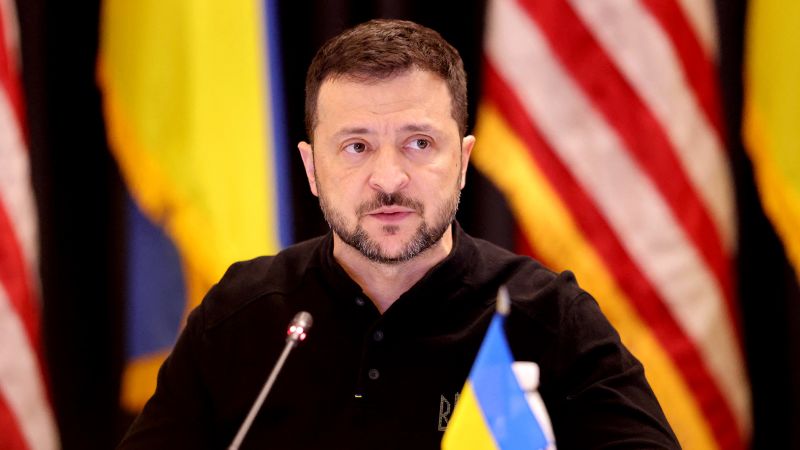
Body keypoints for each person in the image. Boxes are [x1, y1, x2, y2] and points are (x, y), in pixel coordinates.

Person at [118, 19, 680, 449]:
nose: (388, 179)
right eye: (356, 147)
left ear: (463, 162)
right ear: (311, 169)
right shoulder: (239, 316)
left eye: (419, 143)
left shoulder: (547, 317)